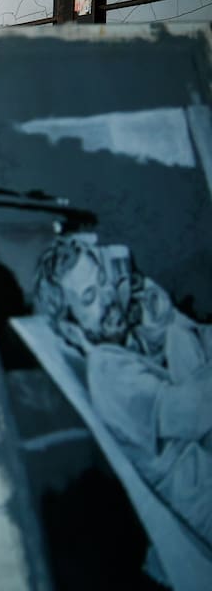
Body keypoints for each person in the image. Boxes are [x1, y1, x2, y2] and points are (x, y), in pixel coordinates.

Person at [33, 232, 212, 555]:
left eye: (102, 281)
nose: (108, 297)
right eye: (89, 297)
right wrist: (175, 329)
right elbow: (197, 412)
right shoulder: (107, 373)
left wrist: (163, 329)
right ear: (72, 328)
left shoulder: (124, 342)